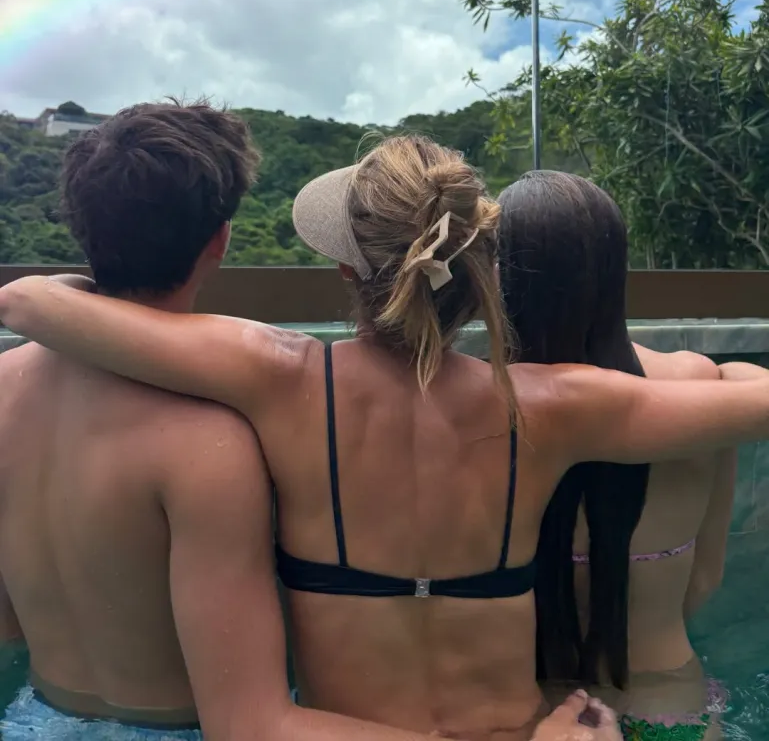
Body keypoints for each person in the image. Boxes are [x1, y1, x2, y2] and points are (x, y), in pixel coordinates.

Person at [5, 135, 769, 740]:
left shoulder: (279, 377)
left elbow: (29, 304)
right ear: (480, 264)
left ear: (344, 263)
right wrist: (719, 375)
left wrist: (64, 283)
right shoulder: (554, 407)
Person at [0, 102, 540, 741]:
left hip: (32, 718)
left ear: (82, 223)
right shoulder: (209, 438)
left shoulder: (5, 389)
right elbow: (253, 725)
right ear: (220, 240)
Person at [496, 170, 736, 741]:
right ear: (615, 270)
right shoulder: (697, 386)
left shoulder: (477, 403)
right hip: (672, 705)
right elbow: (706, 577)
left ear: (500, 277)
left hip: (540, 716)